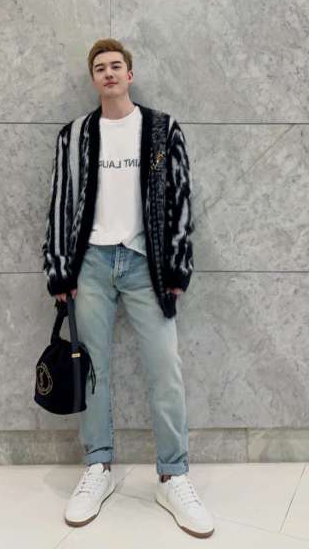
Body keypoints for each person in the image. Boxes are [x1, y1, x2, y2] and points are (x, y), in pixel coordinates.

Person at [42, 38, 214, 538]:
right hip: (91, 264)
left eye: (116, 65)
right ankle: (98, 466)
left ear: (130, 74)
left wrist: (178, 267)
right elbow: (59, 203)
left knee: (166, 369)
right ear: (93, 79)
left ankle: (173, 475)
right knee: (91, 371)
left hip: (146, 265)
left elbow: (180, 200)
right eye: (100, 67)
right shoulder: (75, 135)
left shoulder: (161, 129)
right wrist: (60, 270)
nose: (109, 73)